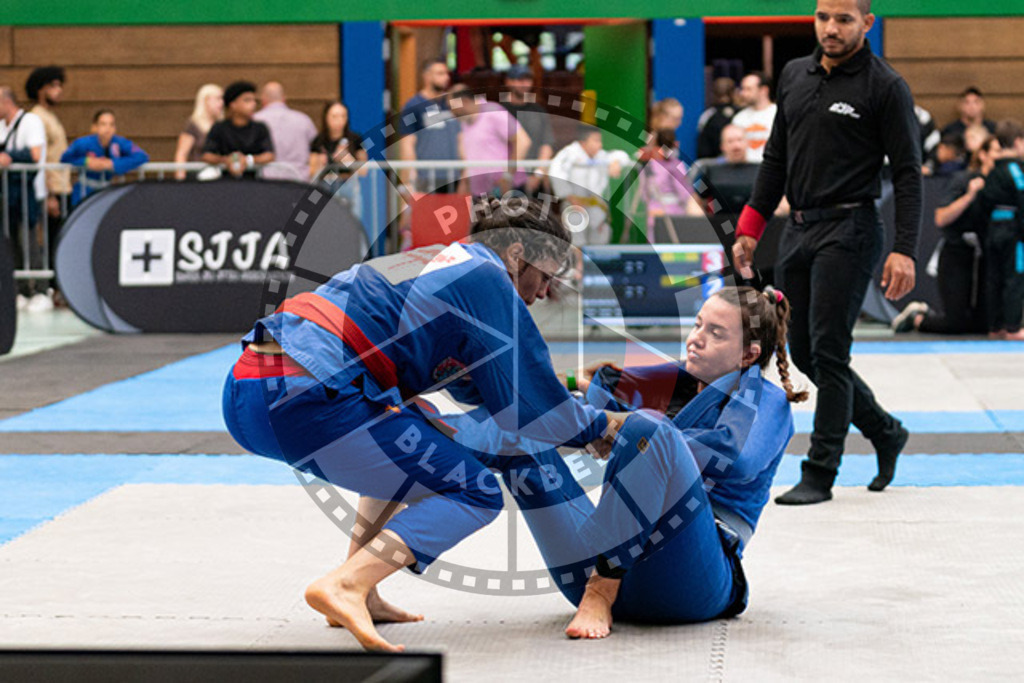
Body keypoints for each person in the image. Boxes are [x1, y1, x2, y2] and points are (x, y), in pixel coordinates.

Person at [221, 198, 612, 652]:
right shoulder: (486, 278)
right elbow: (531, 404)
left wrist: (566, 386)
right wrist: (603, 425)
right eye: (544, 275)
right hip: (307, 400)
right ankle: (346, 584)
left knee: (412, 432)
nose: (544, 293)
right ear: (516, 252)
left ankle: (361, 589)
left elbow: (487, 386)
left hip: (248, 392)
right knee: (476, 491)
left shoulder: (438, 262)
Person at [446, 286, 805, 638]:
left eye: (716, 333)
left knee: (649, 429)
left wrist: (626, 432)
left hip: (688, 582)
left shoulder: (767, 400)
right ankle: (424, 442)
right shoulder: (675, 381)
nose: (696, 338)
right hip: (605, 562)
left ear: (748, 356)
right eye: (697, 324)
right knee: (519, 432)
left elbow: (734, 458)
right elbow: (606, 390)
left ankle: (601, 590)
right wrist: (578, 397)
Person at [732, 0, 922, 505]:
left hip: (852, 227)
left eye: (843, 19)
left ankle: (821, 471)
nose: (831, 28)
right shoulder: (794, 74)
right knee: (806, 353)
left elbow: (907, 173)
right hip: (797, 229)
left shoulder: (885, 86)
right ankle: (884, 430)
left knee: (831, 350)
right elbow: (776, 158)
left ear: (867, 23)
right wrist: (750, 226)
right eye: (823, 17)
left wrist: (904, 249)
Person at [893, 135, 998, 336]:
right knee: (955, 323)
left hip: (984, 255)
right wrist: (970, 195)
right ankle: (918, 317)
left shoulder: (1000, 183)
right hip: (957, 251)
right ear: (983, 155)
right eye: (996, 151)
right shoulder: (963, 179)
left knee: (982, 325)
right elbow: (941, 218)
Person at [972, 120, 1024, 341]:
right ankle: (1013, 327)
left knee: (994, 278)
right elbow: (1022, 194)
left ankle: (996, 326)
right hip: (1013, 229)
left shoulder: (992, 171)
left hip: (993, 230)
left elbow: (982, 202)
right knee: (1015, 277)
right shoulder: (1014, 168)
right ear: (1018, 142)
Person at [0, 85, 46, 310]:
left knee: (29, 240)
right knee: (12, 243)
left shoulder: (30, 121)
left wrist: (9, 157)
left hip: (28, 192)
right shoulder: (1, 126)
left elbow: (35, 154)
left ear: (5, 102)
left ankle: (40, 289)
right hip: (8, 193)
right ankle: (20, 290)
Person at [25, 65, 70, 292]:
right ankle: (49, 287)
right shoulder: (36, 118)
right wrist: (50, 194)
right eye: (54, 85)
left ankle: (56, 286)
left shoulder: (51, 116)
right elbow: (41, 159)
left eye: (60, 85)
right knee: (51, 239)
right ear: (41, 89)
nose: (59, 90)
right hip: (51, 188)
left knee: (59, 237)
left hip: (63, 186)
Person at [548, 124, 631, 245]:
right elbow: (555, 172)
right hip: (574, 203)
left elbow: (622, 156)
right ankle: (577, 263)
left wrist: (616, 162)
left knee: (599, 239)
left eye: (600, 141)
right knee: (575, 241)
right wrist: (569, 197)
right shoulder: (569, 153)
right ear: (583, 142)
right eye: (596, 141)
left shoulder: (601, 156)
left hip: (595, 204)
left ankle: (596, 263)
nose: (600, 145)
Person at [448, 84, 530, 197]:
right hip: (481, 193)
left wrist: (508, 176)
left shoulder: (493, 112)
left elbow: (523, 141)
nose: (452, 112)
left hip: (507, 189)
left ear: (465, 101)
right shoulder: (465, 121)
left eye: (452, 106)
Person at [60, 109, 149, 207]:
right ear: (94, 127)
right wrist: (86, 161)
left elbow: (142, 156)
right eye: (103, 124)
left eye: (111, 124)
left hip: (107, 192)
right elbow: (65, 157)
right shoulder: (83, 143)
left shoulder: (119, 143)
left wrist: (113, 164)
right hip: (84, 191)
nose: (108, 128)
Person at [398, 59, 462, 194]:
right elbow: (407, 144)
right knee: (426, 214)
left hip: (453, 176)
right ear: (427, 76)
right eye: (440, 73)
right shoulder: (413, 106)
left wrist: (465, 171)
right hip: (426, 177)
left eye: (446, 73)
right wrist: (410, 179)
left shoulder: (451, 104)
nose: (446, 77)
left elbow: (460, 138)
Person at [201, 81, 275, 179]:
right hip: (225, 182)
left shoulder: (260, 128)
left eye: (254, 100)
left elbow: (269, 155)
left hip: (254, 182)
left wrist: (249, 160)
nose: (253, 104)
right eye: (247, 100)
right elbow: (207, 155)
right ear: (233, 104)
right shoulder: (219, 128)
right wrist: (225, 160)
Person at [501, 64, 555, 196]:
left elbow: (547, 144)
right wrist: (506, 177)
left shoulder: (538, 111)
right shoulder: (499, 111)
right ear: (509, 82)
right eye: (520, 80)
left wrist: (538, 174)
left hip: (533, 178)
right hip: (504, 178)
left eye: (528, 80)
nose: (525, 84)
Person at [309, 100, 368, 219]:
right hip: (326, 186)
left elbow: (364, 171)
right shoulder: (318, 141)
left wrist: (348, 160)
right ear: (326, 118)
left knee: (352, 222)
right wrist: (321, 163)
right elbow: (311, 171)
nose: (339, 121)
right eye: (334, 116)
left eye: (343, 116)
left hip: (348, 186)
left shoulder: (355, 139)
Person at [253, 81, 318, 181]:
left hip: (266, 184)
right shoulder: (304, 120)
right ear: (284, 98)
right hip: (300, 183)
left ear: (263, 100)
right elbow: (317, 150)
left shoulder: (255, 121)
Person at [174, 84, 223, 180]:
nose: (221, 103)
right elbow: (182, 153)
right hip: (198, 176)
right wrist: (180, 178)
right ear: (205, 100)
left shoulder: (222, 125)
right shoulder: (193, 125)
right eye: (218, 99)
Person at [730, 72, 777, 163]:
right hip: (746, 169)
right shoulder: (739, 118)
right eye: (743, 89)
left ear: (764, 90)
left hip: (771, 168)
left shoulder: (777, 113)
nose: (743, 93)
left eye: (748, 89)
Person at [696, 77, 738, 161]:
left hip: (715, 166)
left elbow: (703, 150)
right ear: (734, 93)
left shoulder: (707, 115)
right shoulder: (742, 113)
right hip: (720, 165)